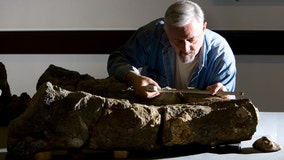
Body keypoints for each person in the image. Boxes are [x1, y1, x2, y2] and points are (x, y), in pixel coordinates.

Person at [107, 0, 236, 99]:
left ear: (203, 28)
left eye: (192, 40)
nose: (186, 48)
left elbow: (228, 104)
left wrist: (224, 95)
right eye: (178, 41)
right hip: (154, 117)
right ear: (165, 31)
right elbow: (117, 61)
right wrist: (134, 79)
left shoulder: (220, 53)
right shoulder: (152, 35)